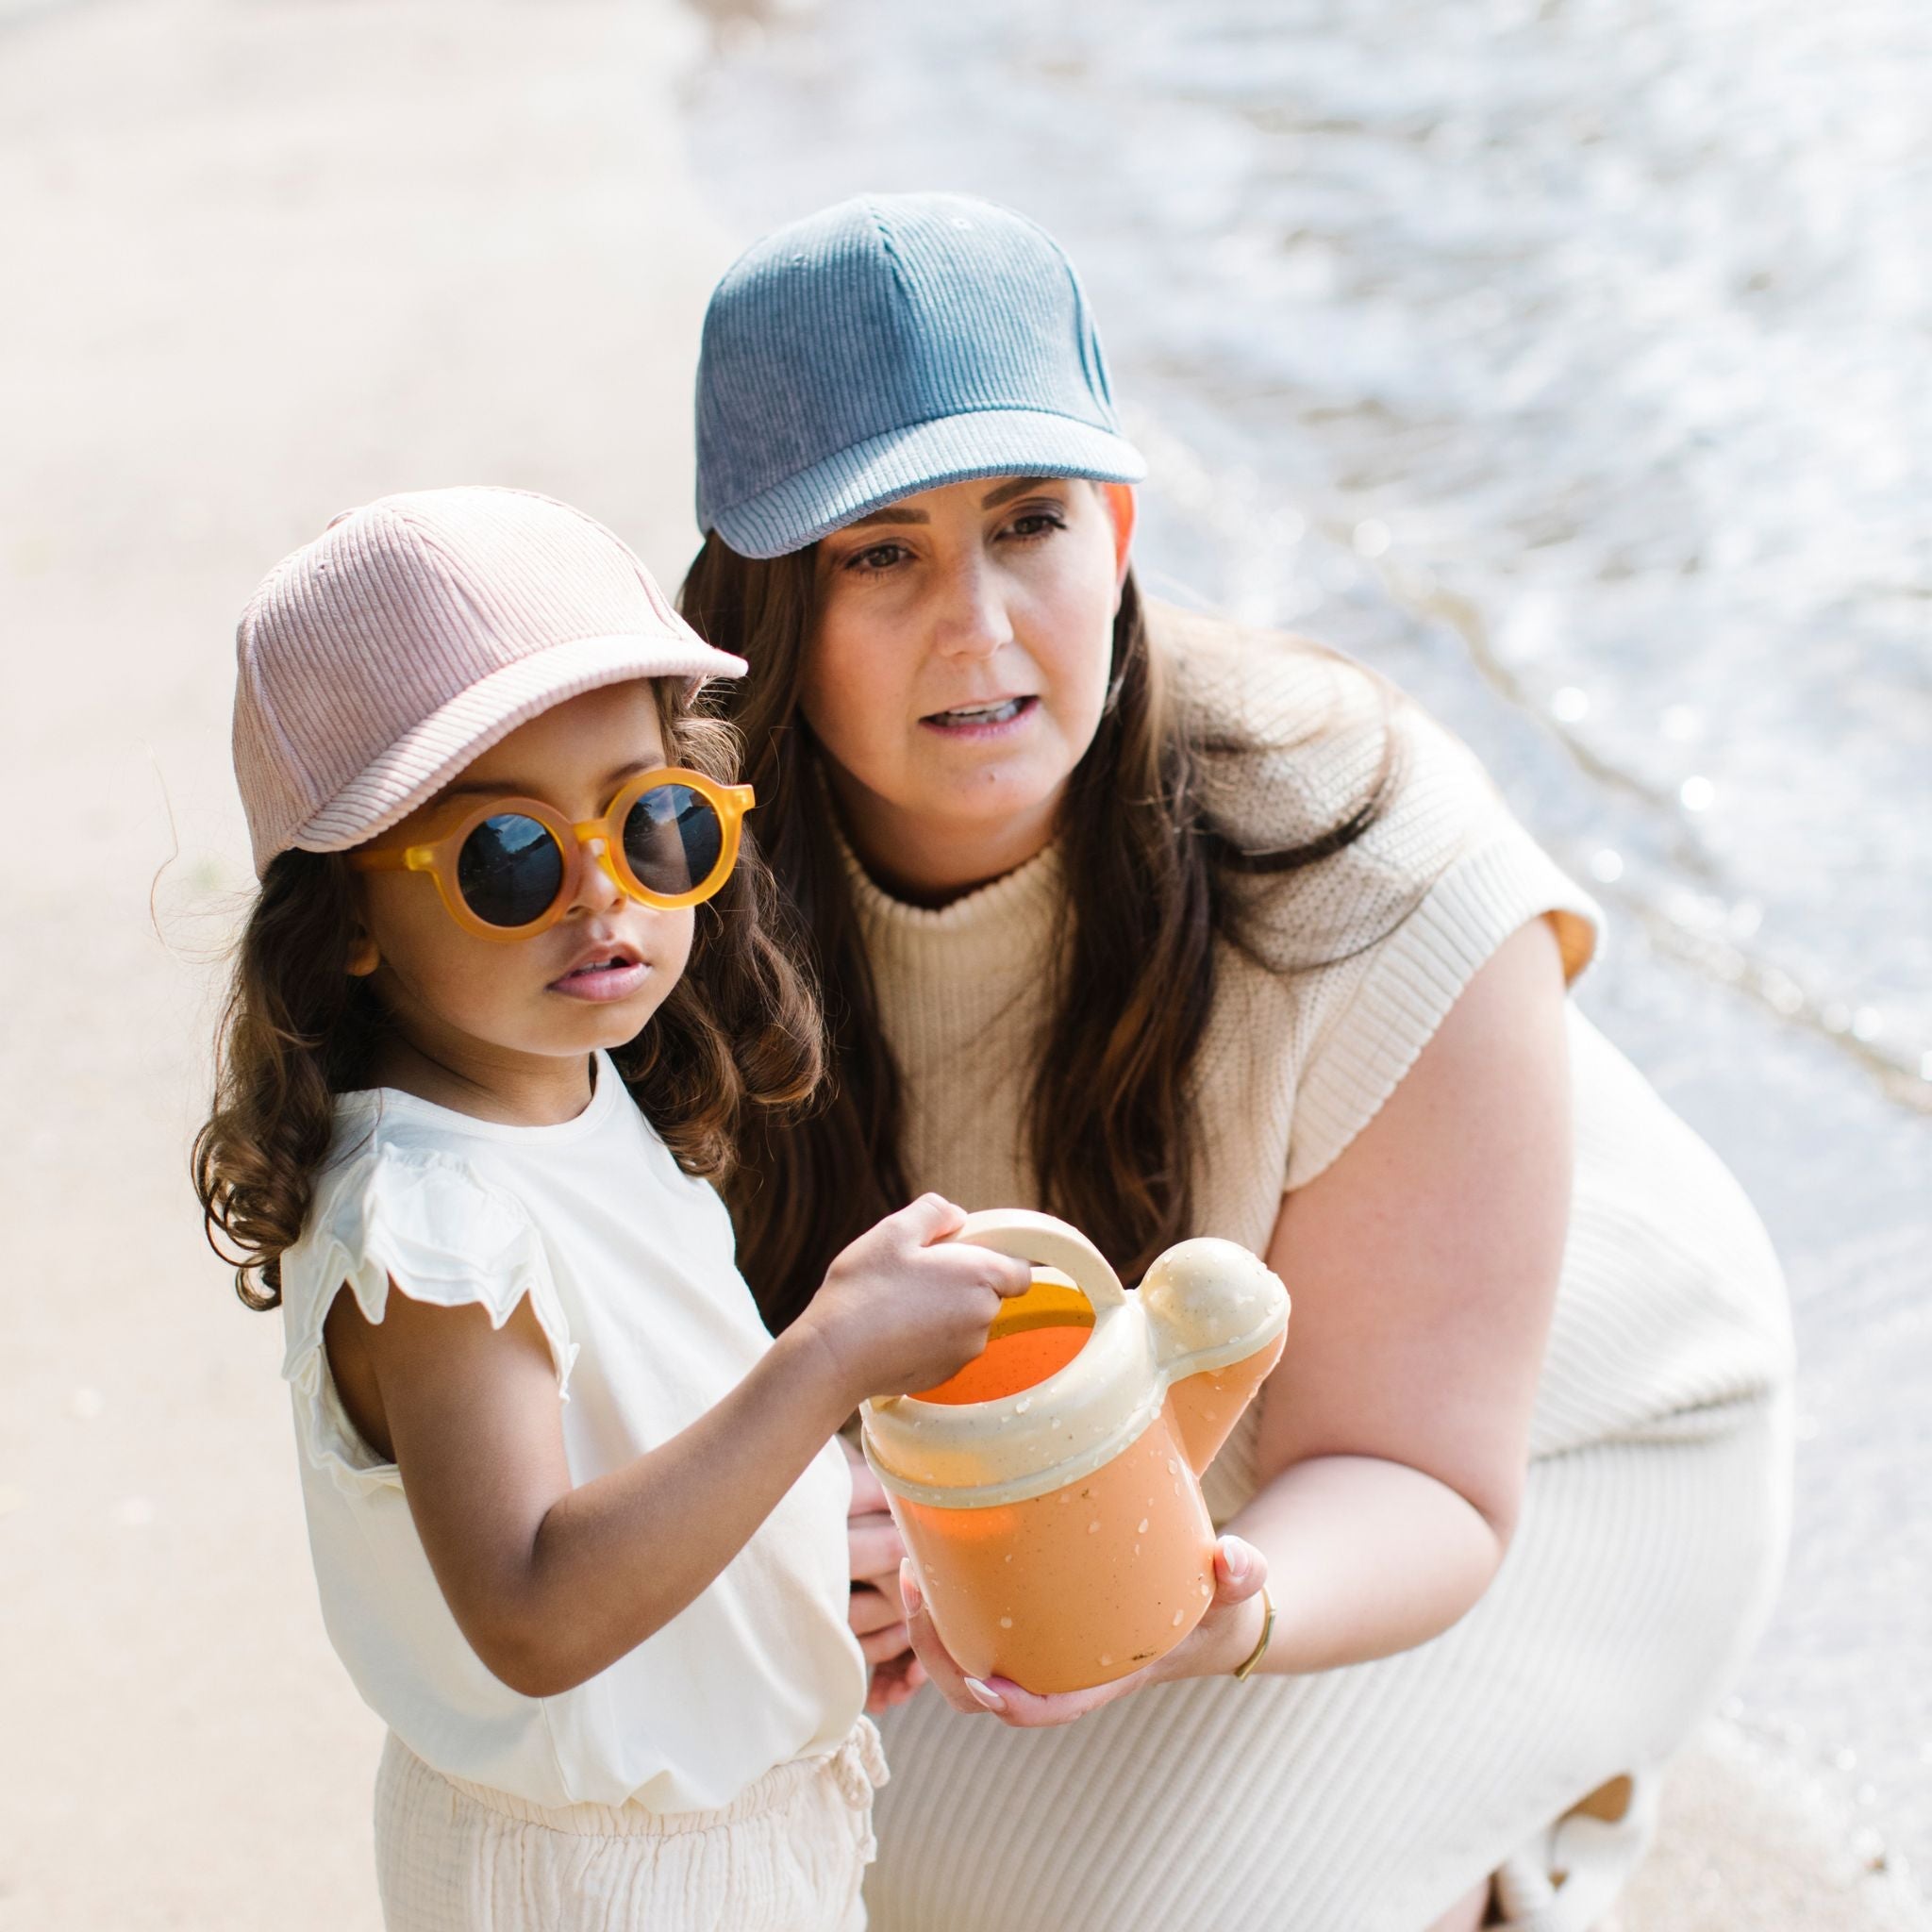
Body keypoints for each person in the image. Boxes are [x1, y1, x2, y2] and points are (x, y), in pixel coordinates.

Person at [679, 194, 1796, 1932]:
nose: (977, 624)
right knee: (708, 1808)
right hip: (1136, 1436)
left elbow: (1417, 1472)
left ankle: (1490, 1864)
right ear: (765, 602)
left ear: (1117, 528)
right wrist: (791, 1517)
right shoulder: (670, 873)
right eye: (877, 551)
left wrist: (1212, 1605)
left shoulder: (1355, 845)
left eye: (1029, 521)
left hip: (1542, 1446)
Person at [191, 486, 1050, 1932]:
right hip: (600, 1884)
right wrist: (827, 1356)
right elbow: (534, 1609)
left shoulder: (568, 1096)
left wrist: (796, 1555)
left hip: (713, 1841)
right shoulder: (439, 1227)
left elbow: (636, 1455)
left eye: (653, 823)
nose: (604, 895)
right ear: (340, 916)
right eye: (510, 859)